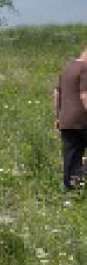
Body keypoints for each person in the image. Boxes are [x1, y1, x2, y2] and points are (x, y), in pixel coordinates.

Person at [55, 48, 87, 190]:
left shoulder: (68, 67)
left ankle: (70, 190)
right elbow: (85, 95)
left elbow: (56, 93)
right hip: (82, 120)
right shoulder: (85, 69)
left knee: (71, 157)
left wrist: (58, 116)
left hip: (65, 121)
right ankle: (81, 179)